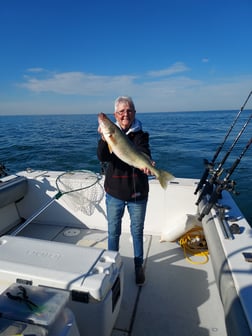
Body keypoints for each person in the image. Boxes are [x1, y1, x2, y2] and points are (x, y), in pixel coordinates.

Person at [97, 96, 152, 286]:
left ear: (134, 113)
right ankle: (112, 264)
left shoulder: (141, 135)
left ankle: (138, 267)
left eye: (128, 110)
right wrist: (104, 139)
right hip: (114, 193)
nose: (125, 114)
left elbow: (143, 151)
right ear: (116, 115)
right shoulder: (109, 134)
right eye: (121, 111)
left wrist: (147, 163)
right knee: (113, 232)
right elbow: (102, 157)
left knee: (137, 232)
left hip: (138, 194)